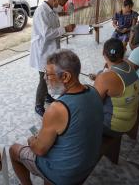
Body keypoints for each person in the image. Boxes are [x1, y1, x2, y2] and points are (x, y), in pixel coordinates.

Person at [11, 50, 103, 185]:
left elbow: (39, 150)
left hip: (65, 173)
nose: (45, 79)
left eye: (48, 75)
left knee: (13, 150)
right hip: (90, 161)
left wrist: (31, 140)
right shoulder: (93, 90)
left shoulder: (57, 109)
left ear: (65, 76)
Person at [29, 0, 76, 116]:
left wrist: (66, 31)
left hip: (51, 50)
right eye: (61, 3)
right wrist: (64, 29)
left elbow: (55, 30)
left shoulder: (53, 12)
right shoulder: (41, 12)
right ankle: (38, 105)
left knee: (49, 75)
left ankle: (46, 96)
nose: (61, 7)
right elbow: (47, 33)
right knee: (43, 78)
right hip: (42, 51)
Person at [93, 38, 139, 137]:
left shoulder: (104, 78)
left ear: (103, 53)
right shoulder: (130, 66)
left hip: (113, 127)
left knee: (78, 117)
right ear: (123, 52)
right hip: (131, 120)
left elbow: (94, 104)